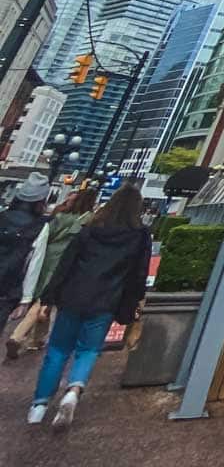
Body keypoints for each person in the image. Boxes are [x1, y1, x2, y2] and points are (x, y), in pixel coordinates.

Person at [27, 183, 150, 428]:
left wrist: (48, 298)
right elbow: (138, 274)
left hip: (73, 295)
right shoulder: (139, 236)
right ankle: (74, 389)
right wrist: (134, 301)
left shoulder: (90, 229)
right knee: (89, 350)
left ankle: (39, 405)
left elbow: (66, 264)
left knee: (58, 350)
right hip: (106, 299)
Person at [6, 188, 97, 359]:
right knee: (44, 299)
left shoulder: (60, 216)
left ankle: (37, 339)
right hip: (65, 260)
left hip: (47, 255)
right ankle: (18, 336)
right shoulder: (88, 220)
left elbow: (46, 235)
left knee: (44, 296)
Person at [1, 174, 50, 330]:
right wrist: (26, 298)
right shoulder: (40, 226)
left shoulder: (2, 216)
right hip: (8, 288)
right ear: (42, 201)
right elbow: (34, 262)